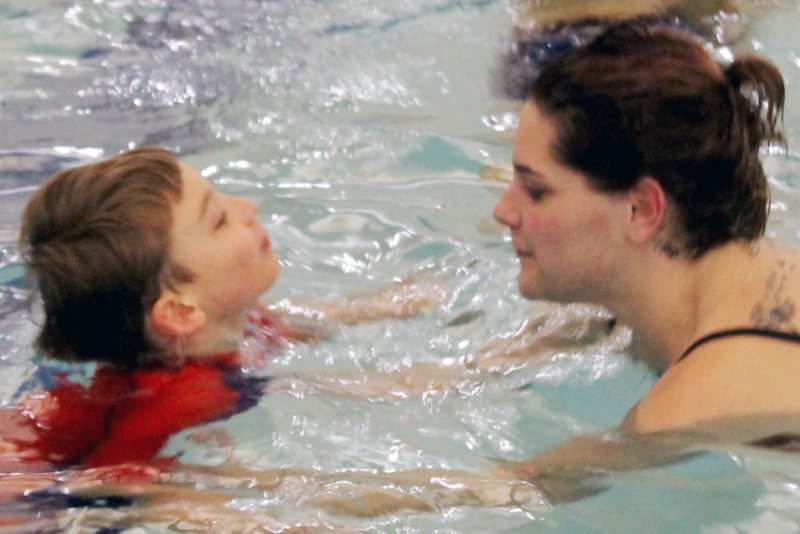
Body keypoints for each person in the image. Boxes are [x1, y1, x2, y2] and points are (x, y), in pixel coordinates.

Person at [491, 21, 798, 492]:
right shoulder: (705, 282)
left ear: (641, 209)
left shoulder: (694, 405)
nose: (503, 211)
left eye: (535, 190)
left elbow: (517, 489)